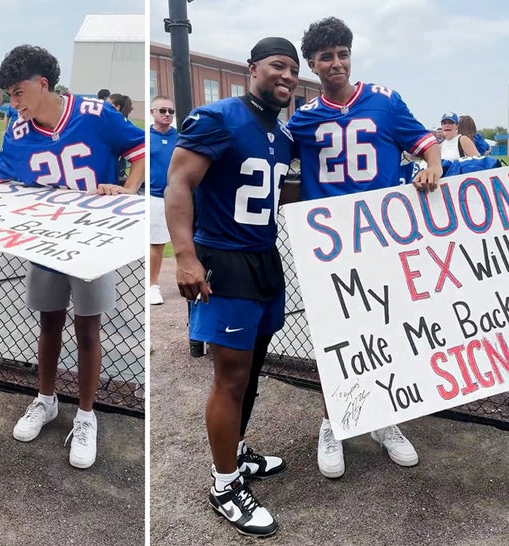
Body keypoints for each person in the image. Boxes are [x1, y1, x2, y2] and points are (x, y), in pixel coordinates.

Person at [0, 44, 145, 469]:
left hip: (92, 243)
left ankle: (87, 415)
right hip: (48, 244)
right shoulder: (18, 131)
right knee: (49, 323)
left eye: (18, 94)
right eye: (9, 96)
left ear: (42, 84)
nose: (13, 104)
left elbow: (140, 151)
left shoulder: (93, 114)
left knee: (89, 329)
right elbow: (0, 177)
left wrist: (126, 191)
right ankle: (46, 400)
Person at [287, 16, 442, 480]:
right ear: (312, 65)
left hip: (382, 238)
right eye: (326, 57)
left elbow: (426, 142)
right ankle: (332, 421)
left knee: (387, 330)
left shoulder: (384, 101)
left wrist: (431, 167)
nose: (337, 63)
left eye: (342, 54)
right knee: (333, 337)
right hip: (328, 245)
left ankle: (382, 417)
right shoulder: (304, 117)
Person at [165, 37, 300, 537]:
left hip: (263, 258)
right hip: (224, 257)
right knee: (231, 376)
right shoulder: (218, 116)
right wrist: (184, 256)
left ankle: (237, 452)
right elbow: (179, 184)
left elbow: (279, 194)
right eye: (276, 67)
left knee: (254, 369)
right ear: (253, 69)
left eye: (292, 70)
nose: (286, 76)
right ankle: (224, 486)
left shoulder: (282, 135)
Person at [149, 96, 177, 306]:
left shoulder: (180, 137)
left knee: (189, 240)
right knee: (157, 243)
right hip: (155, 196)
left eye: (170, 111)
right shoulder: (146, 137)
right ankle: (152, 285)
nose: (167, 114)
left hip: (178, 197)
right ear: (152, 112)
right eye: (162, 111)